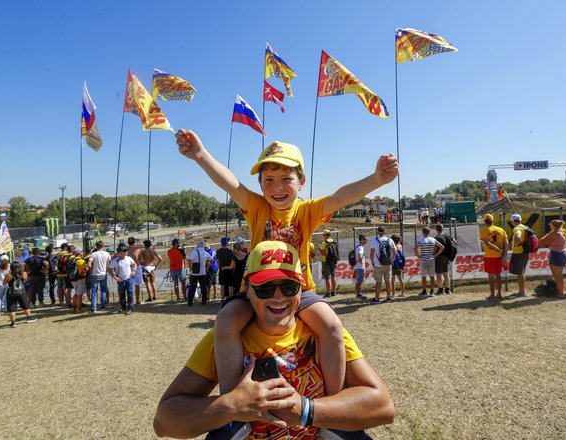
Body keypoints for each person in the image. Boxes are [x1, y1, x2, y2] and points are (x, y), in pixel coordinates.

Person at [175, 130, 398, 402]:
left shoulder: (307, 211)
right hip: (257, 290)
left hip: (298, 291)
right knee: (225, 321)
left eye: (286, 179)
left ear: (301, 182)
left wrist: (376, 179)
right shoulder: (256, 207)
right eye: (268, 180)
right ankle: (235, 403)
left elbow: (340, 198)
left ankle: (332, 402)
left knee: (331, 327)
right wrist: (201, 155)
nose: (277, 187)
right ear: (260, 185)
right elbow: (232, 185)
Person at [153, 241, 395, 439]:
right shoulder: (227, 336)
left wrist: (307, 410)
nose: (278, 297)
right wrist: (231, 406)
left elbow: (383, 407)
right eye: (265, 288)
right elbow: (164, 423)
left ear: (302, 289)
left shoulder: (322, 331)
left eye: (289, 286)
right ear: (247, 289)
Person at [480, 214, 509, 300]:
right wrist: (504, 255)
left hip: (489, 256)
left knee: (491, 276)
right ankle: (499, 293)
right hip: (499, 256)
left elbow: (488, 243)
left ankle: (492, 295)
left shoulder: (483, 231)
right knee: (498, 275)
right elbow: (506, 243)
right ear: (493, 220)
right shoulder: (501, 230)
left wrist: (498, 249)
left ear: (485, 222)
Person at [539, 220, 566, 298]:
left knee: (557, 276)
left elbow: (542, 241)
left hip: (557, 254)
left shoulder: (554, 233)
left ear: (553, 225)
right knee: (559, 275)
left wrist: (548, 236)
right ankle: (560, 292)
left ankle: (560, 293)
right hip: (563, 253)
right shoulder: (562, 232)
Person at [3, 261, 37, 328]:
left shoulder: (8, 275)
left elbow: (4, 283)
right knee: (25, 305)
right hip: (21, 292)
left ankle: (13, 323)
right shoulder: (24, 273)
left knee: (12, 308)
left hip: (11, 293)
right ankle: (29, 318)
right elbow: (25, 281)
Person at [415, 227, 444, 298]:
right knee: (432, 276)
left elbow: (415, 248)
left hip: (423, 259)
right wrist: (436, 255)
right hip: (431, 259)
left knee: (424, 276)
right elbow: (442, 247)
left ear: (423, 232)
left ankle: (424, 291)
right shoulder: (433, 239)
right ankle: (432, 291)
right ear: (429, 232)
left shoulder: (420, 240)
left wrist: (418, 256)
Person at [108, 243, 137, 315]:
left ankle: (130, 308)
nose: (122, 253)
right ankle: (123, 307)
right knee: (121, 294)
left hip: (129, 278)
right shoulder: (115, 261)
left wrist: (133, 271)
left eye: (124, 251)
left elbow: (135, 264)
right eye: (120, 251)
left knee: (130, 293)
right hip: (121, 280)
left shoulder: (129, 258)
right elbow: (109, 269)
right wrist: (115, 277)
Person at [370, 226, 396, 303]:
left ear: (378, 232)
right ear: (385, 232)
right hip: (388, 264)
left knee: (378, 282)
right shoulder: (390, 240)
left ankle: (377, 298)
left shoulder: (374, 241)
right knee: (388, 281)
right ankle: (388, 297)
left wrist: (372, 262)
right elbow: (394, 251)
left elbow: (371, 253)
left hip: (378, 265)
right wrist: (392, 259)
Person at [508, 214, 530, 298]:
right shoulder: (525, 227)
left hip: (519, 252)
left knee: (520, 273)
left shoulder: (517, 228)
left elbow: (518, 235)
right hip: (525, 252)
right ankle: (521, 291)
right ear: (520, 220)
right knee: (521, 272)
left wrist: (517, 243)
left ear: (513, 221)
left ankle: (522, 292)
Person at [187, 241, 214, 306]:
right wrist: (207, 267)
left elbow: (189, 260)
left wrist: (190, 268)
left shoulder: (194, 252)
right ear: (203, 246)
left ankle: (190, 302)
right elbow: (212, 260)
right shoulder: (205, 253)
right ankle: (204, 301)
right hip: (203, 272)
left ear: (198, 246)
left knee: (192, 287)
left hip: (194, 273)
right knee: (203, 287)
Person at [88, 241, 111, 313]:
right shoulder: (107, 254)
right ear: (103, 246)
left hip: (95, 274)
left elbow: (88, 264)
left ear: (96, 246)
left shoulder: (94, 254)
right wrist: (106, 269)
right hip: (104, 273)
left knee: (94, 291)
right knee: (103, 290)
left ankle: (94, 308)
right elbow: (109, 263)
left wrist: (92, 269)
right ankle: (103, 307)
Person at [434, 224, 456, 295]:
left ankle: (440, 290)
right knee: (446, 273)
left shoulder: (437, 238)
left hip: (439, 257)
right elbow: (455, 242)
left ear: (436, 229)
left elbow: (438, 247)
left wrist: (436, 254)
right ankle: (448, 289)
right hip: (447, 257)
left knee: (439, 274)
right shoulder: (447, 236)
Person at [319, 230, 337, 298]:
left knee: (327, 277)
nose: (323, 236)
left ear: (326, 235)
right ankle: (333, 292)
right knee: (333, 276)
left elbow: (323, 253)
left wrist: (320, 249)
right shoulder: (334, 242)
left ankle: (328, 292)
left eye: (323, 235)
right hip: (333, 261)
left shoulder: (324, 243)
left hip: (326, 261)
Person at [127, 237, 145, 305]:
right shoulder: (138, 249)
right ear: (134, 242)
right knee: (137, 285)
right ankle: (137, 300)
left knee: (129, 285)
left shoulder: (126, 249)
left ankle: (129, 301)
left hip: (128, 267)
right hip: (137, 267)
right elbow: (142, 260)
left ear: (128, 242)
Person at [72, 248, 88, 312]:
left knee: (76, 293)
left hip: (73, 279)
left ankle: (74, 307)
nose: (82, 252)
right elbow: (85, 270)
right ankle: (79, 308)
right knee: (79, 294)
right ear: (79, 253)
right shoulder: (81, 261)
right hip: (80, 279)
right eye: (81, 251)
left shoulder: (72, 259)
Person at [353, 234, 368, 299]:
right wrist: (362, 262)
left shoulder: (357, 246)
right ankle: (358, 294)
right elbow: (360, 255)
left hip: (357, 266)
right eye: (365, 239)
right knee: (360, 281)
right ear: (361, 240)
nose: (366, 241)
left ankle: (358, 293)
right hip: (360, 267)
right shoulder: (360, 247)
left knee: (359, 280)